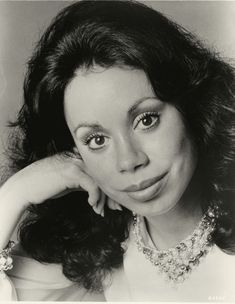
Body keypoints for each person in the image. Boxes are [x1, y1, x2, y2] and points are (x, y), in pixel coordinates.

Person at [0, 0, 235, 301]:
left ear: (192, 105)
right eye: (96, 140)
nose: (129, 161)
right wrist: (16, 192)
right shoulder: (95, 265)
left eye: (146, 120)